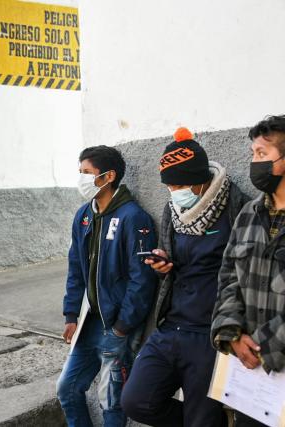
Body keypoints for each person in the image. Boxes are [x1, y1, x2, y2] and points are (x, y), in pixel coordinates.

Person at [120, 127, 248, 427]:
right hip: (171, 326)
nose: (174, 191)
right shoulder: (173, 211)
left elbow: (247, 272)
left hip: (210, 333)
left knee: (202, 419)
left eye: (179, 184)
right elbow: (173, 258)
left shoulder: (237, 209)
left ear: (201, 180)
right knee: (135, 401)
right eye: (169, 185)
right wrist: (164, 264)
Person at [56, 145, 157, 427]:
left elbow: (142, 279)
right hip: (87, 324)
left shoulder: (133, 217)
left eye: (87, 172)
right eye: (80, 172)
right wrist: (71, 315)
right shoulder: (83, 216)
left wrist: (122, 326)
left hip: (117, 326)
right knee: (67, 389)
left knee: (111, 401)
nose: (82, 179)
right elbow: (76, 268)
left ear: (108, 176)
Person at [211, 115, 285, 427]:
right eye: (253, 153)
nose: (255, 162)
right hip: (252, 381)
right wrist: (232, 333)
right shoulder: (248, 214)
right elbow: (229, 277)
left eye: (262, 154)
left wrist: (266, 346)